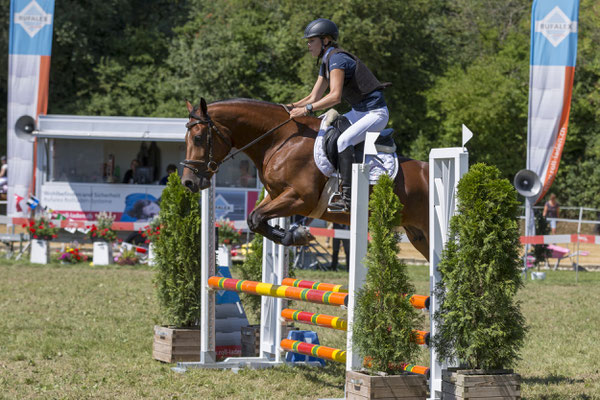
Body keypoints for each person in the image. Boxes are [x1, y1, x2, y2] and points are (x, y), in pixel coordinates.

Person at [288, 18, 390, 212]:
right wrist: (288, 107)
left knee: (344, 141)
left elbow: (334, 97)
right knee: (327, 131)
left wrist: (306, 110)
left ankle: (348, 198)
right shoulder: (326, 61)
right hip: (360, 112)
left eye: (311, 41)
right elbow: (313, 96)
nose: (308, 45)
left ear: (325, 40)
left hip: (375, 113)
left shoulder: (338, 59)